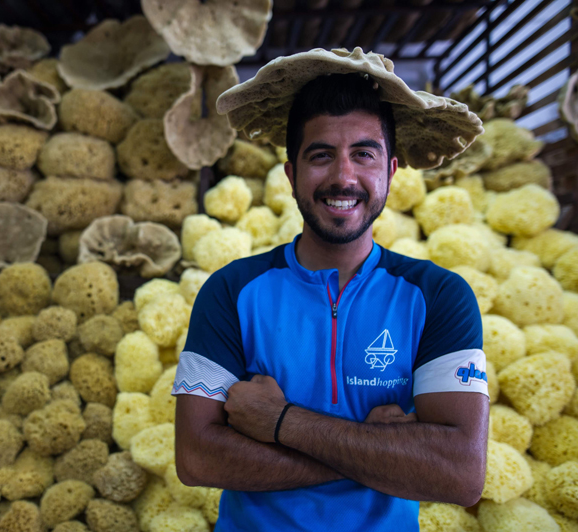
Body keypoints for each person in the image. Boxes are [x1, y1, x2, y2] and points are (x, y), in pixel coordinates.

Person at [172, 50, 489, 531]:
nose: (344, 177)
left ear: (391, 171)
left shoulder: (439, 296)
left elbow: (461, 475)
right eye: (321, 155)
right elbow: (197, 459)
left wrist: (282, 423)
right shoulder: (231, 290)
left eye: (364, 154)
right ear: (291, 174)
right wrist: (379, 453)